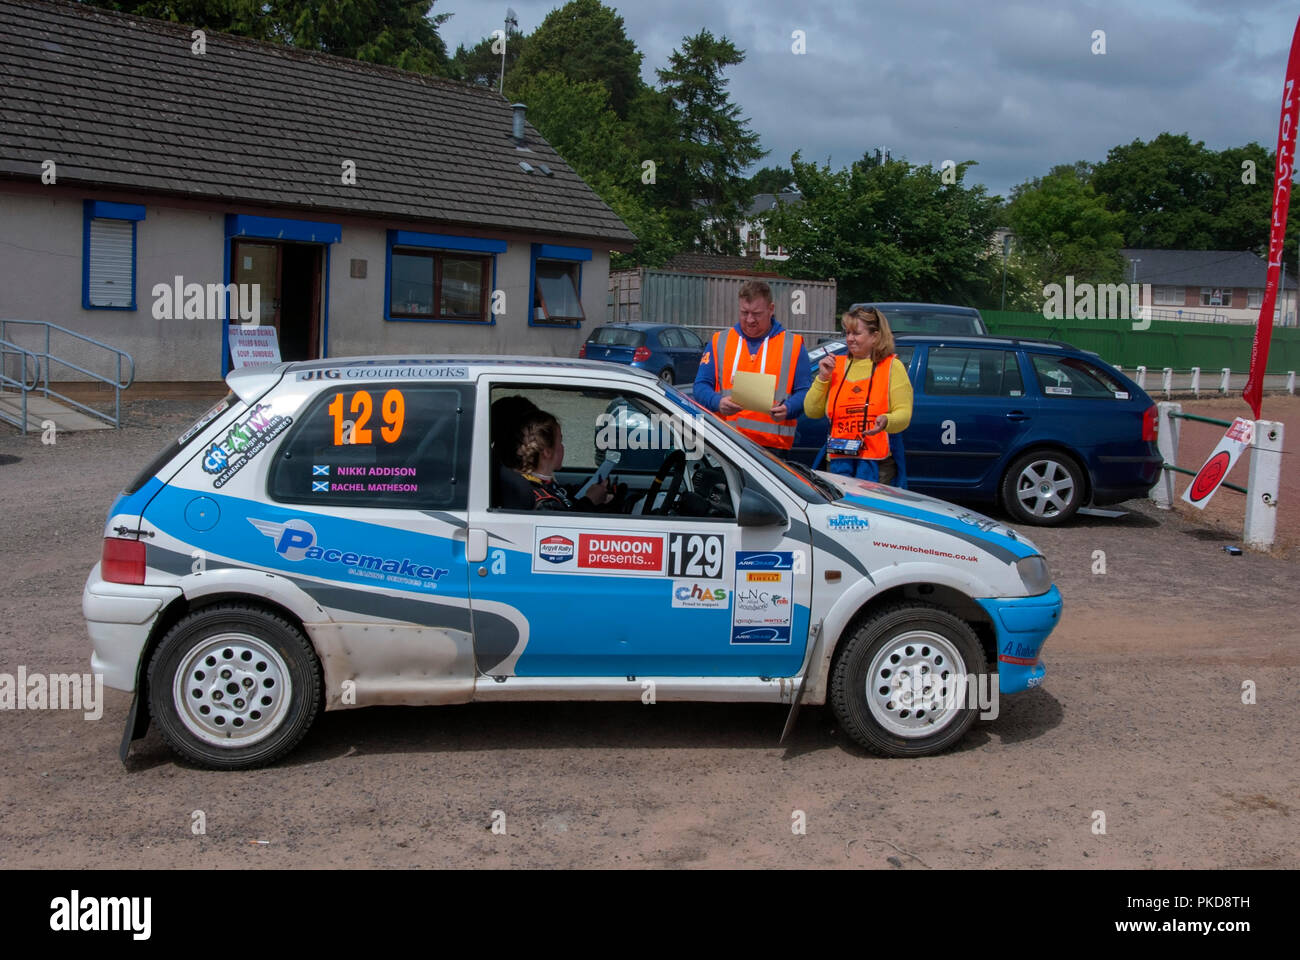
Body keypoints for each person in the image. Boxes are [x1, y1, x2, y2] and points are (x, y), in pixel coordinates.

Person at [693, 279, 812, 457]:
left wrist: (789, 408)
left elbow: (805, 392)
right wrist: (717, 402)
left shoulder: (792, 344)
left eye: (756, 313)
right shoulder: (720, 341)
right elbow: (700, 386)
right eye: (744, 312)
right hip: (726, 444)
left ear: (771, 309)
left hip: (772, 450)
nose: (749, 319)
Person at [803, 306, 912, 484]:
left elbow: (904, 415)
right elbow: (811, 411)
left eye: (856, 333)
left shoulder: (892, 367)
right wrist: (823, 378)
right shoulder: (835, 366)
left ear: (875, 336)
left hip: (877, 465)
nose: (850, 339)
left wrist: (886, 420)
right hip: (839, 461)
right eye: (847, 333)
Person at [504, 409, 615, 511]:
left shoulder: (543, 484)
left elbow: (565, 497)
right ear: (547, 452)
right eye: (560, 442)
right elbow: (569, 527)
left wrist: (593, 493)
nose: (562, 447)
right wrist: (590, 501)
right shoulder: (543, 503)